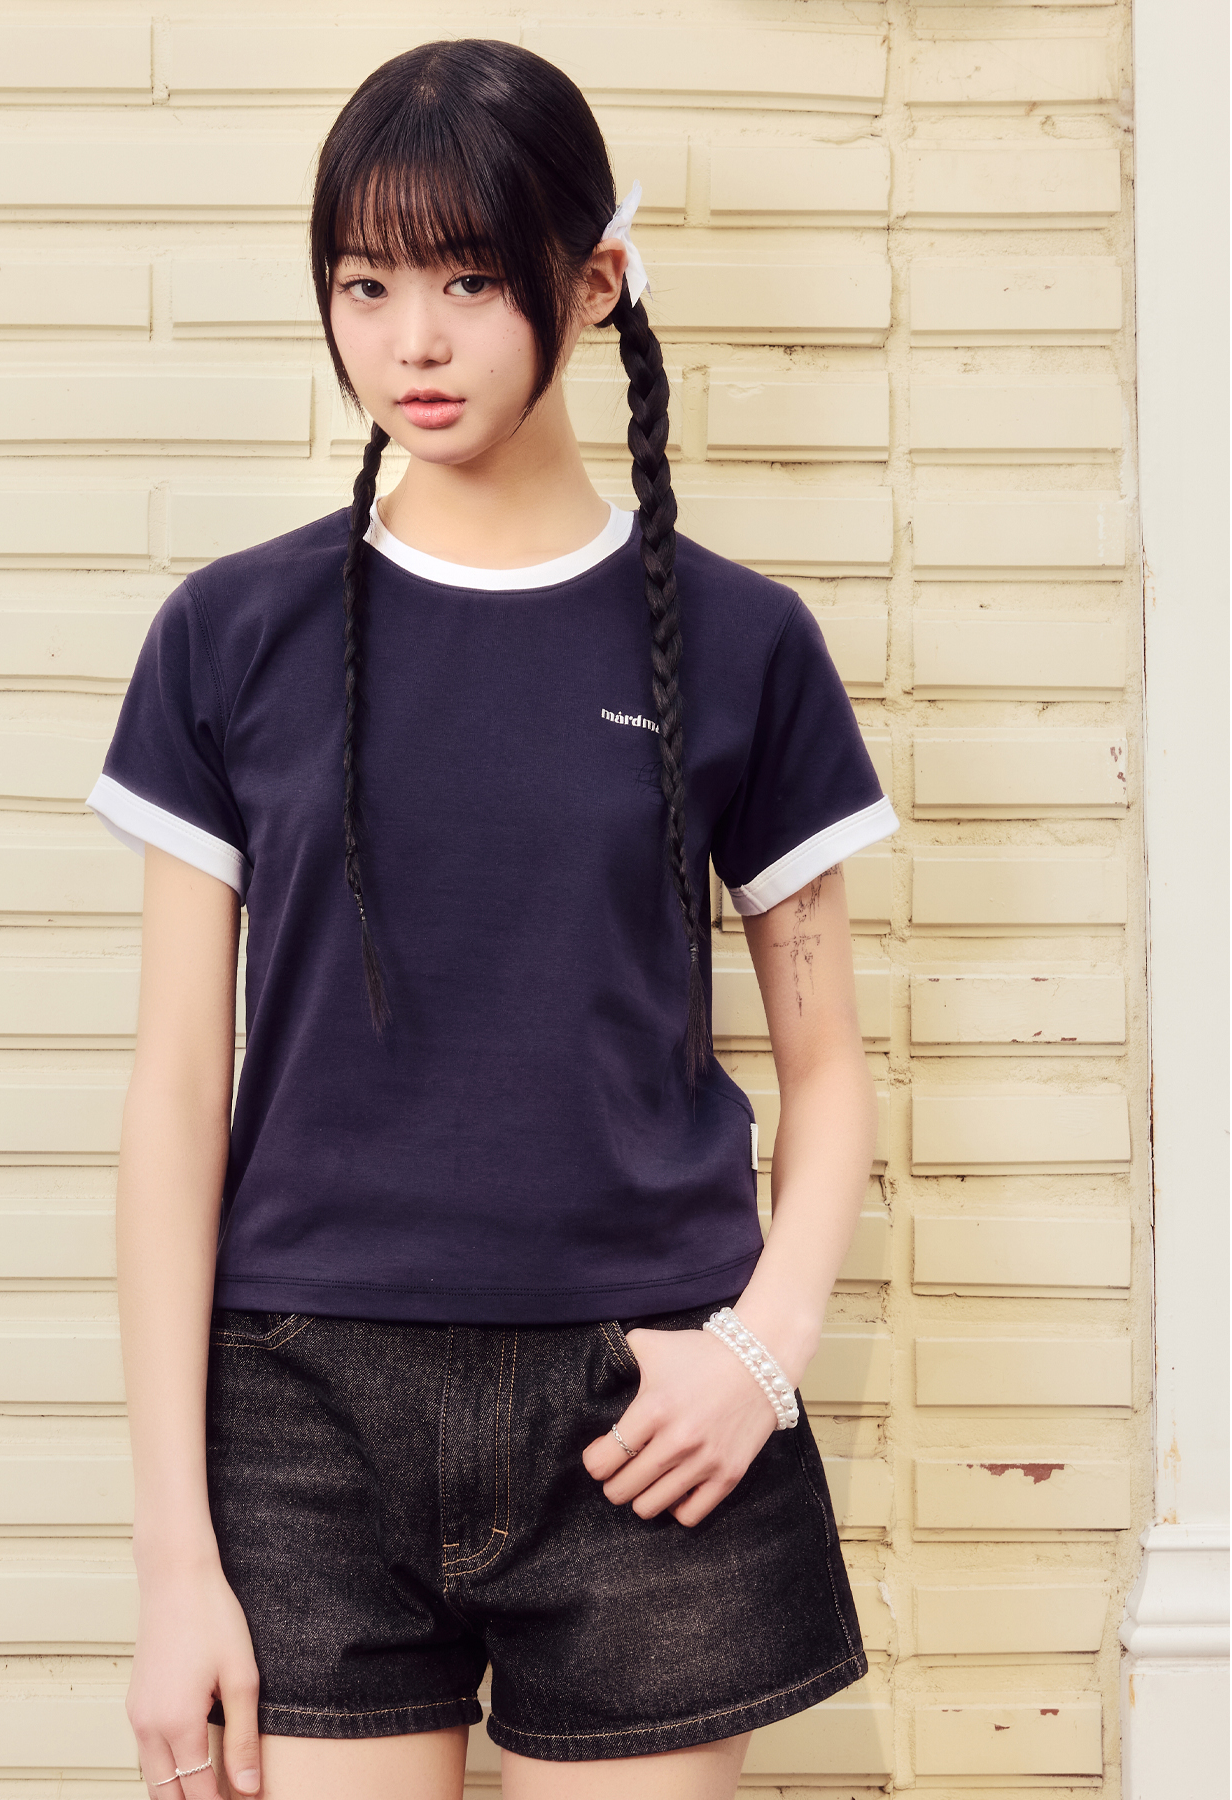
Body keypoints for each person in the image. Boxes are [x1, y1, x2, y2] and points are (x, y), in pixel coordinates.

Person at [85, 37, 898, 1800]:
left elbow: (832, 1071)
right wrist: (173, 1563)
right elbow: (174, 1093)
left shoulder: (745, 645)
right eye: (365, 285)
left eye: (467, 281)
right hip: (303, 1416)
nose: (414, 342)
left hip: (645, 1415)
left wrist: (762, 1355)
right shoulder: (230, 638)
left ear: (591, 283)